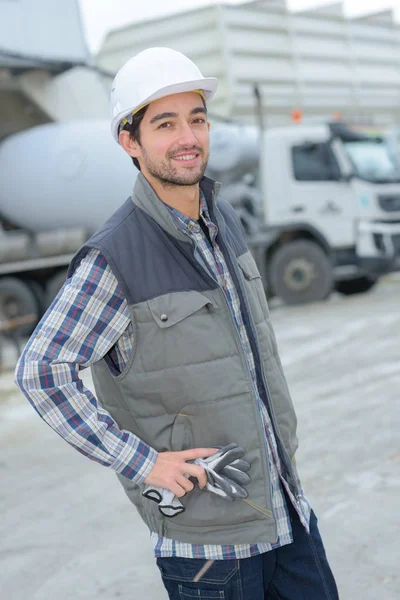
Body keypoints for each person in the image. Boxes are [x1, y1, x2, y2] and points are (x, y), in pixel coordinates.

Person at [15, 47, 339, 599]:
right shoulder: (114, 257)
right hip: (209, 551)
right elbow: (42, 371)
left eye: (197, 118)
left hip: (286, 514)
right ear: (130, 141)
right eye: (165, 124)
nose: (188, 137)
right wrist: (142, 463)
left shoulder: (225, 219)